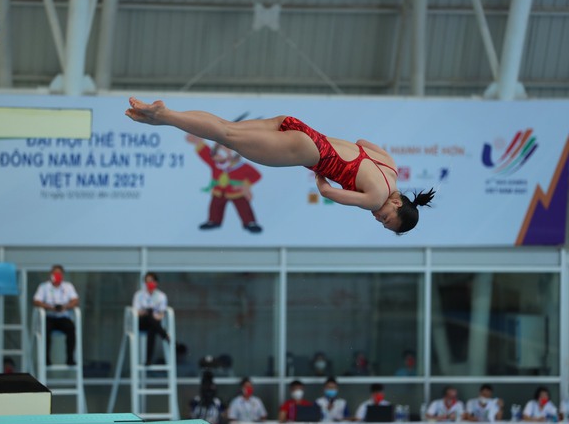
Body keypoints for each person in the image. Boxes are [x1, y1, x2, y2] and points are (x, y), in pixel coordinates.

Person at [125, 98, 435, 234]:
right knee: (227, 136)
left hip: (302, 128)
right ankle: (163, 117)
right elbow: (326, 191)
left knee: (226, 129)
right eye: (388, 218)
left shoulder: (390, 165)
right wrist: (320, 169)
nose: (379, 217)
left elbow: (361, 141)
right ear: (397, 202)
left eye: (382, 223)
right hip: (306, 150)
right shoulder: (375, 197)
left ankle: (167, 114)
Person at [187, 133, 263, 233]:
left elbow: (256, 175)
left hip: (236, 192)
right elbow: (206, 154)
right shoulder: (216, 164)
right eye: (216, 152)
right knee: (215, 206)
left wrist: (245, 185)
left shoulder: (241, 166)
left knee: (244, 207)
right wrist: (199, 142)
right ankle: (213, 221)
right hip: (219, 191)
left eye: (221, 152)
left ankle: (250, 223)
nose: (217, 155)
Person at [33, 264, 79, 366]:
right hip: (49, 316)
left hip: (63, 317)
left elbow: (75, 300)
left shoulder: (68, 286)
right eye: (54, 273)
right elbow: (36, 301)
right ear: (50, 274)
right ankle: (46, 360)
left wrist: (65, 307)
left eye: (59, 274)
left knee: (71, 328)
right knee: (45, 330)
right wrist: (50, 307)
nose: (56, 275)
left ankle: (70, 359)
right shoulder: (44, 287)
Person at [132, 271, 170, 365]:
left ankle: (148, 360)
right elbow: (136, 312)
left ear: (156, 282)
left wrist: (154, 315)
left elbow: (161, 314)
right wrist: (147, 312)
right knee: (149, 313)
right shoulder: (138, 295)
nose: (149, 284)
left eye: (151, 281)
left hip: (154, 323)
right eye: (147, 281)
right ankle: (164, 335)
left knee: (152, 327)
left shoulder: (161, 296)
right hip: (141, 322)